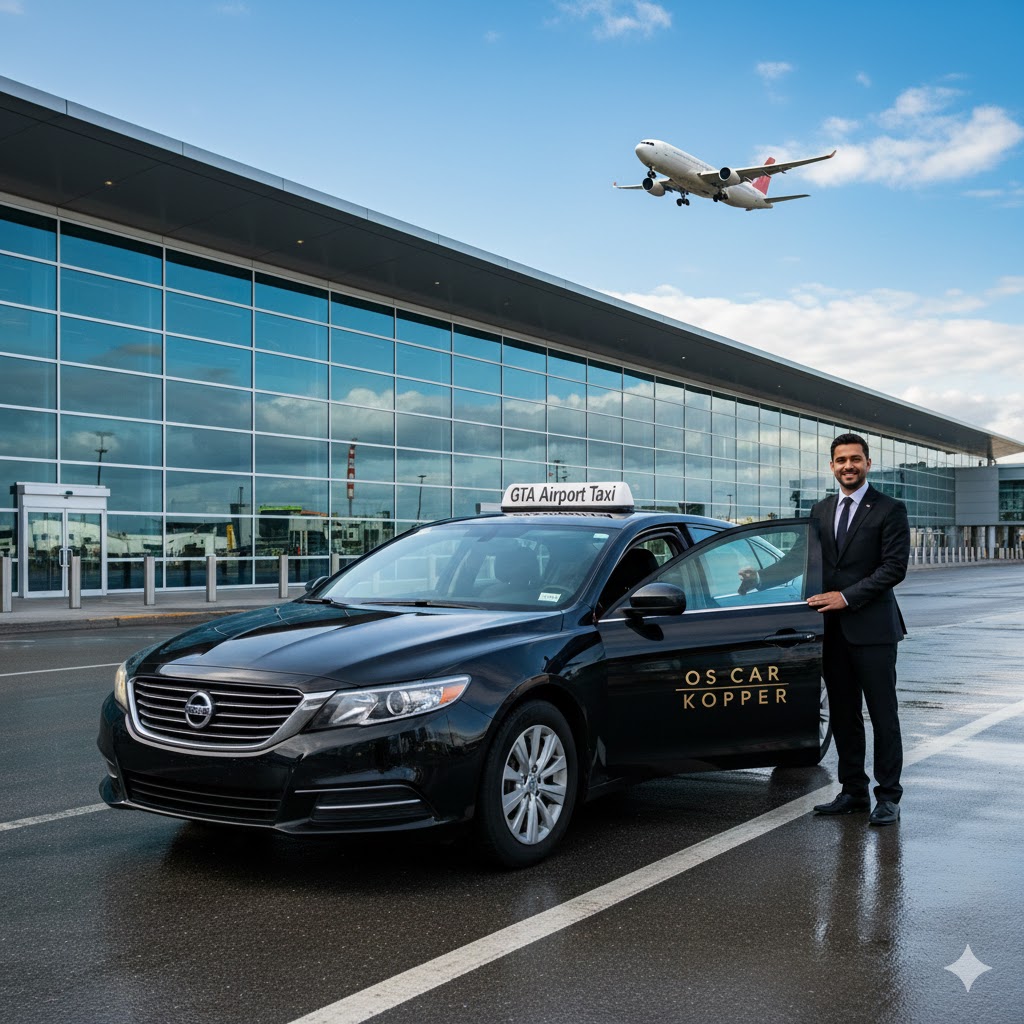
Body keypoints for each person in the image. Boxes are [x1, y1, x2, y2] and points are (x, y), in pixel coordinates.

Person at [741, 432, 910, 825]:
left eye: (855, 459)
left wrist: (845, 597)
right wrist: (759, 578)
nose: (848, 466)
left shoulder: (889, 509)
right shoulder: (821, 509)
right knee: (844, 714)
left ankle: (888, 796)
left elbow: (893, 568)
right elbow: (799, 559)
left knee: (883, 716)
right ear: (831, 466)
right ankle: (853, 791)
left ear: (868, 463)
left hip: (873, 630)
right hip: (830, 632)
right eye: (840, 460)